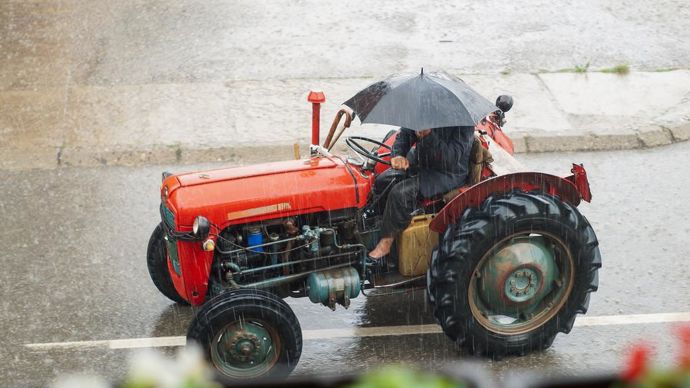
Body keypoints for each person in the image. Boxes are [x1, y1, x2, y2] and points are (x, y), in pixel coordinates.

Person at [367, 126, 475, 264]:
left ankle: (386, 244)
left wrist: (428, 136)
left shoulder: (464, 124)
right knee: (383, 180)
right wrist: (398, 154)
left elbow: (450, 159)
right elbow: (405, 135)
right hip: (422, 162)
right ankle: (377, 227)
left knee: (400, 193)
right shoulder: (425, 111)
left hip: (448, 173)